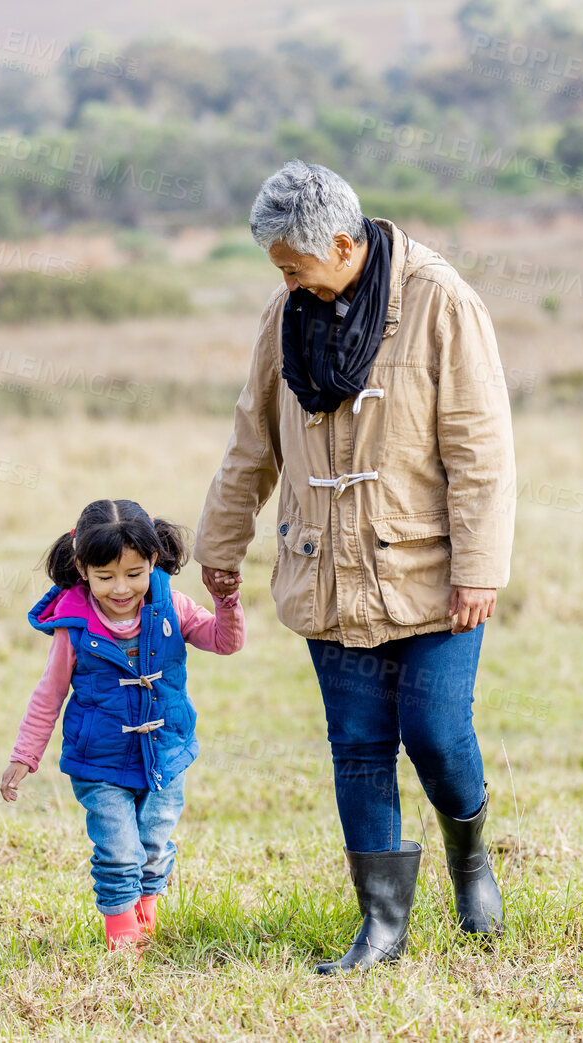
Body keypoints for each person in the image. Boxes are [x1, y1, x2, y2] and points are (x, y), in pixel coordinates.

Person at [195, 160, 517, 974]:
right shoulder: (285, 315)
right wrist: (220, 545)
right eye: (281, 271)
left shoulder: (443, 302)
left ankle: (471, 857)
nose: (290, 283)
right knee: (359, 747)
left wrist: (479, 565)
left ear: (342, 244)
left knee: (437, 734)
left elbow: (482, 450)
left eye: (296, 266)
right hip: (323, 568)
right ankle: (382, 924)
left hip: (432, 573)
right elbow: (252, 441)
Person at [0, 499, 244, 954]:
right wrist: (24, 756)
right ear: (82, 568)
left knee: (152, 848)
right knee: (119, 853)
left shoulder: (172, 606)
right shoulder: (74, 627)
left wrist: (226, 601)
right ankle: (123, 942)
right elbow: (48, 694)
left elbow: (224, 641)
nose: (121, 588)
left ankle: (146, 921)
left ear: (153, 560)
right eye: (105, 576)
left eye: (134, 573)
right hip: (100, 762)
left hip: (165, 754)